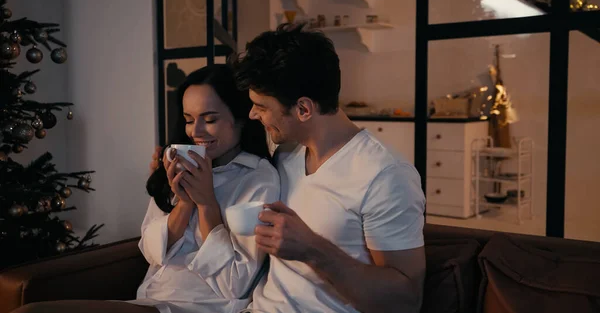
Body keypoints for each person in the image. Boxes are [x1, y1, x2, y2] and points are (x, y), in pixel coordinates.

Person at [14, 64, 280, 313]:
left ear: (241, 119)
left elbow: (236, 282)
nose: (195, 131)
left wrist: (207, 203)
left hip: (196, 306)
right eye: (189, 119)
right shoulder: (178, 163)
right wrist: (185, 203)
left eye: (209, 119)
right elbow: (150, 249)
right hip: (149, 298)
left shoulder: (257, 179)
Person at [230, 23, 427, 313]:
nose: (252, 113)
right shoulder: (285, 152)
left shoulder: (385, 175)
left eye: (261, 106)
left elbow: (406, 301)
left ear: (304, 109)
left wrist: (312, 249)